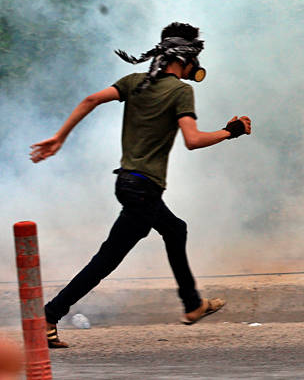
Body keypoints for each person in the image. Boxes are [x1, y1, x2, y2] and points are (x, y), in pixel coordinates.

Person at [30, 22, 252, 348]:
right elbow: (192, 140)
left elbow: (91, 99)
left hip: (128, 183)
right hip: (144, 189)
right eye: (195, 58)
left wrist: (59, 137)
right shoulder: (180, 91)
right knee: (107, 260)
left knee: (173, 230)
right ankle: (50, 315)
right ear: (186, 59)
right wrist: (230, 132)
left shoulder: (134, 82)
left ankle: (192, 303)